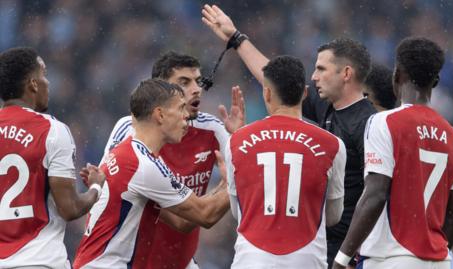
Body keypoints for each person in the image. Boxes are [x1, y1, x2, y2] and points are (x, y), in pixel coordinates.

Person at [201, 5, 376, 267]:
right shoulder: (326, 106)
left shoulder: (369, 125)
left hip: (344, 253)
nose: (314, 77)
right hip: (316, 245)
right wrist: (236, 38)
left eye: (321, 69)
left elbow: (378, 194)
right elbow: (276, 81)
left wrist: (352, 253)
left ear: (346, 74)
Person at [332, 37, 453, 269]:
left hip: (390, 259)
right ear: (435, 81)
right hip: (440, 261)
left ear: (397, 75)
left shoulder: (383, 123)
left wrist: (341, 259)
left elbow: (375, 195)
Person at [100, 51, 244, 269]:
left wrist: (239, 140)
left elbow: (250, 174)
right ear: (162, 91)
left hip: (181, 261)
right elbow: (105, 189)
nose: (196, 89)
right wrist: (226, 186)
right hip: (133, 262)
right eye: (184, 83)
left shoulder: (213, 129)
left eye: (198, 80)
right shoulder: (130, 130)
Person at [73, 79, 231, 268]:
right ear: (160, 115)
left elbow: (183, 222)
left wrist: (224, 184)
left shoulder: (129, 153)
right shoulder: (142, 165)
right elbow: (206, 215)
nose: (186, 115)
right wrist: (237, 178)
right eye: (180, 108)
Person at [225, 55, 346, 268]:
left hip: (251, 260)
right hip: (306, 261)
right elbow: (333, 215)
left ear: (267, 93)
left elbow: (238, 211)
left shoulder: (237, 141)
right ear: (305, 93)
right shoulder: (332, 144)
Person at [0, 47, 104, 268]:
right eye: (43, 74)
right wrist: (95, 188)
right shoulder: (52, 130)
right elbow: (70, 208)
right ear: (33, 84)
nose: (48, 82)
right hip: (40, 260)